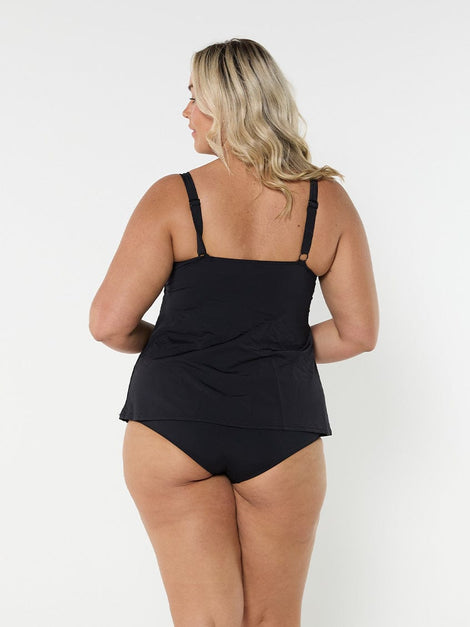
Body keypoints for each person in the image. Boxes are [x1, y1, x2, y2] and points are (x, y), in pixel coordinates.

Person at [89, 38, 379, 627]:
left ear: (226, 106)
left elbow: (109, 325)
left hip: (173, 425)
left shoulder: (175, 197)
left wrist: (181, 346)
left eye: (194, 97)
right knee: (274, 620)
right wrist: (271, 350)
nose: (185, 112)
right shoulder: (327, 203)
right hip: (282, 428)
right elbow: (357, 334)